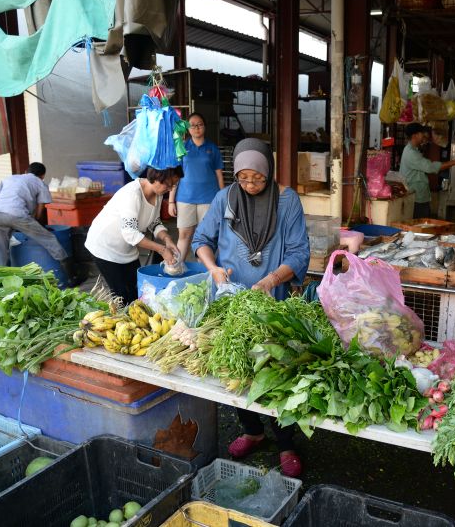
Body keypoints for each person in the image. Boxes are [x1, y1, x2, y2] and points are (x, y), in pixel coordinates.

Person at [192, 138, 309, 477]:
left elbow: (299, 253)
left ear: (268, 170)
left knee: (274, 372)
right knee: (235, 368)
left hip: (272, 302)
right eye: (243, 178)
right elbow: (201, 241)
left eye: (256, 177)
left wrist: (271, 281)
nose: (250, 184)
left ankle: (286, 441)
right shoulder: (224, 198)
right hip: (231, 300)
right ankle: (252, 430)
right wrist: (212, 268)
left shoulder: (286, 201)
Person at [86, 166, 181, 305]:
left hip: (127, 250)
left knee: (138, 293)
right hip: (105, 247)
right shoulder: (132, 194)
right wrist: (162, 249)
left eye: (174, 185)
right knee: (123, 298)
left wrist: (167, 239)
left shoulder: (158, 194)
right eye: (169, 184)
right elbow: (130, 233)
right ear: (157, 179)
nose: (171, 188)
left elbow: (154, 222)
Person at [0, 162, 77, 284]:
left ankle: (2, 284)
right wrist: (38, 228)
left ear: (26, 171)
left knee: (0, 253)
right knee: (50, 239)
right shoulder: (40, 183)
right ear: (42, 176)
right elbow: (40, 212)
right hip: (17, 214)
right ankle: (72, 277)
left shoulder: (10, 178)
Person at [168, 113, 224, 261]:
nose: (196, 128)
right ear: (187, 128)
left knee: (206, 237)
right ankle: (177, 268)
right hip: (185, 198)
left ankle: (205, 272)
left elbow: (219, 175)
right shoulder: (182, 147)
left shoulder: (212, 148)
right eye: (192, 125)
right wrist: (171, 201)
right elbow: (175, 177)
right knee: (184, 235)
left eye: (200, 124)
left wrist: (223, 198)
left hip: (209, 198)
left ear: (204, 127)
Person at [399, 123, 455, 218]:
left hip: (418, 196)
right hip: (416, 198)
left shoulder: (413, 150)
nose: (423, 136)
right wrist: (454, 162)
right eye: (421, 133)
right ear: (415, 135)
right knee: (419, 226)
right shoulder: (411, 153)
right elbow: (430, 167)